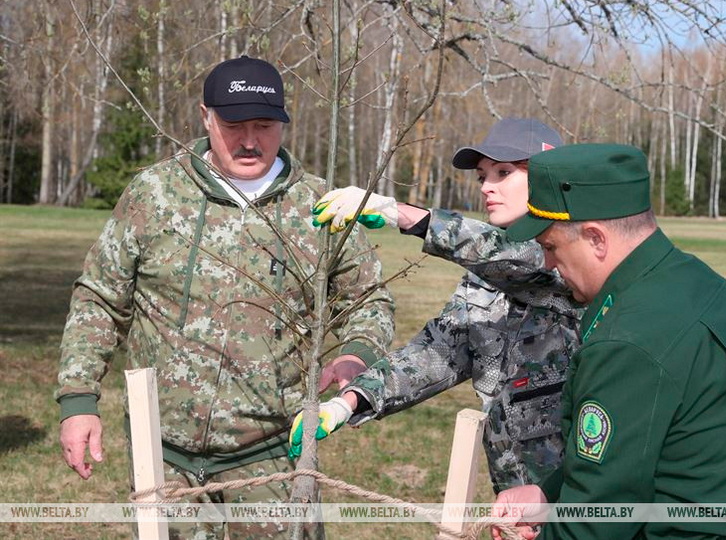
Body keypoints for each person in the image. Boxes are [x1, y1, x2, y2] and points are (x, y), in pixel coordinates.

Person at [55, 55, 395, 540]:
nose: (251, 141)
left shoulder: (317, 208)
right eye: (234, 125)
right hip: (163, 458)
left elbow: (369, 301)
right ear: (205, 117)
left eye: (265, 125)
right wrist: (79, 400)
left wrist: (358, 353)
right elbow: (99, 298)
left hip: (273, 457)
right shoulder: (155, 194)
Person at [491, 143, 726, 540]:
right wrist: (547, 493)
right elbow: (648, 444)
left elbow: (598, 519)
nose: (550, 264)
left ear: (596, 239)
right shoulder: (697, 282)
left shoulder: (626, 341)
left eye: (551, 247)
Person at [295, 118, 586, 493]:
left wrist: (403, 214)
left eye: (504, 172)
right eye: (483, 176)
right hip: (515, 492)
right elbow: (437, 353)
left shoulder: (572, 256)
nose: (487, 187)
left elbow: (518, 259)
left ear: (548, 178)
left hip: (579, 495)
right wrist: (352, 400)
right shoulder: (485, 276)